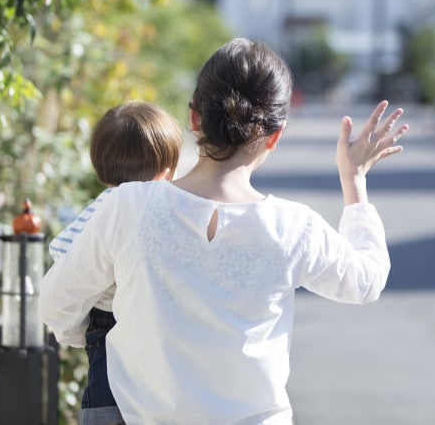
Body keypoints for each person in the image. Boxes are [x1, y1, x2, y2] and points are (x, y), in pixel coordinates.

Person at [39, 37, 409, 424]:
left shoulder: (127, 206)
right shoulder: (294, 226)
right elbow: (365, 281)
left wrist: (106, 340)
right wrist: (354, 178)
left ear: (194, 119)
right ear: (275, 136)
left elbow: (56, 306)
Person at [48, 100, 182, 425]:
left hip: (106, 359)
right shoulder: (172, 213)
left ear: (101, 166)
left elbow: (64, 260)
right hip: (165, 372)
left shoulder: (96, 213)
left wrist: (77, 333)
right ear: (166, 172)